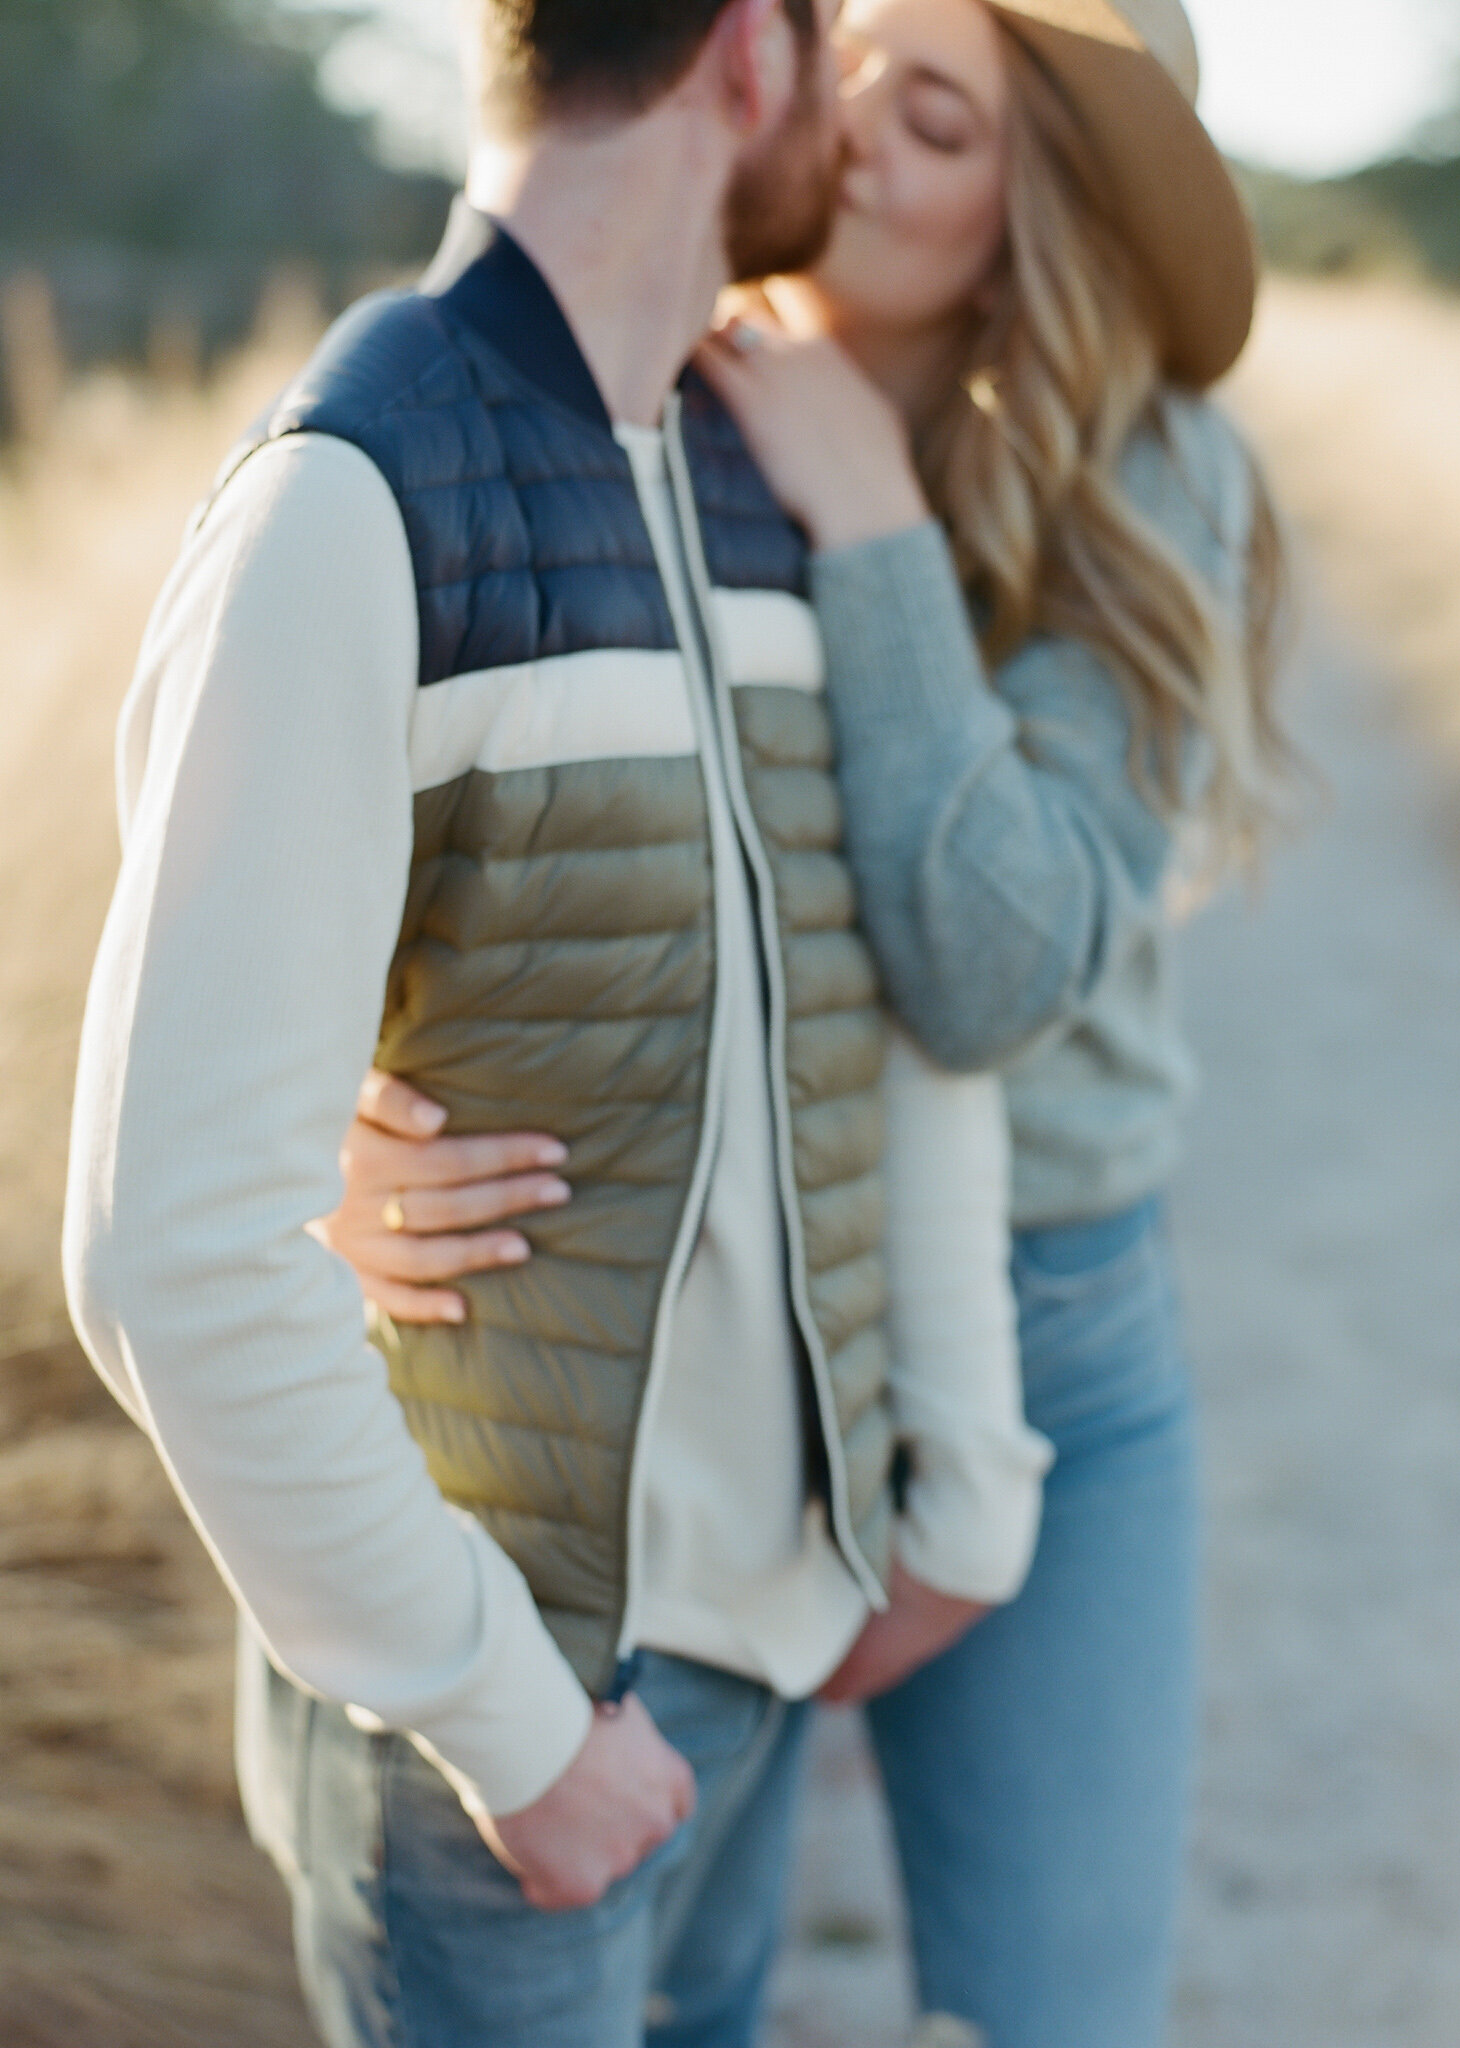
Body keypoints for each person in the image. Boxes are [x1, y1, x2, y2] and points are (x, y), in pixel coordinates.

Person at [61, 2, 1056, 2044]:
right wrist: (512, 1726)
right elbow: (164, 1241)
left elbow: (882, 1030)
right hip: (503, 1743)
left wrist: (961, 1482)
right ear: (746, 62)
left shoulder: (779, 468)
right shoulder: (349, 488)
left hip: (768, 1670)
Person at [331, 1, 1296, 2043]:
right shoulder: (640, 355)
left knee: (1055, 2007)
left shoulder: (1149, 472)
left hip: (1055, 1305)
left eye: (934, 119)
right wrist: (349, 1101)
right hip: (722, 1311)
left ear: (1043, 220)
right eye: (861, 57)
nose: (848, 130)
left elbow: (989, 967)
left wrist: (876, 529)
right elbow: (441, 796)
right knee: (693, 1986)